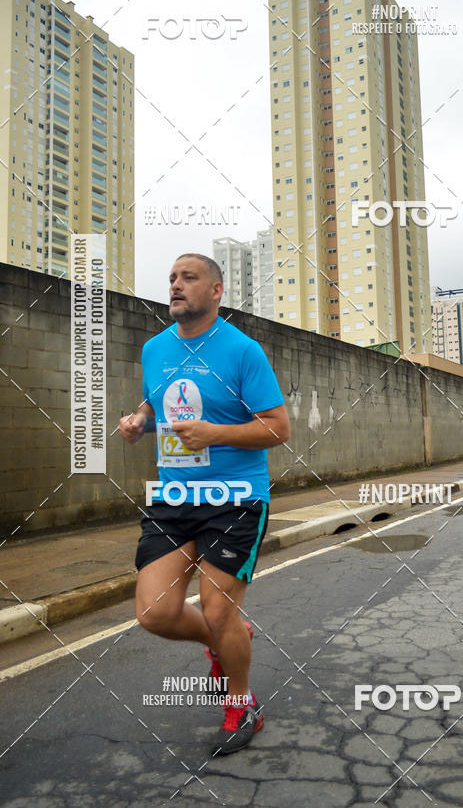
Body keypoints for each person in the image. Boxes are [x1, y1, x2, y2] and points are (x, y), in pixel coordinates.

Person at [119, 253, 290, 755]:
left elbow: (278, 429)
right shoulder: (154, 348)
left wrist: (216, 432)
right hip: (175, 497)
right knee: (154, 612)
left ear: (215, 291)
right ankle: (228, 639)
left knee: (218, 610)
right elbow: (157, 401)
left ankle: (242, 703)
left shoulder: (242, 351)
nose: (175, 285)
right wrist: (139, 420)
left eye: (188, 278)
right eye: (171, 277)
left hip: (235, 499)